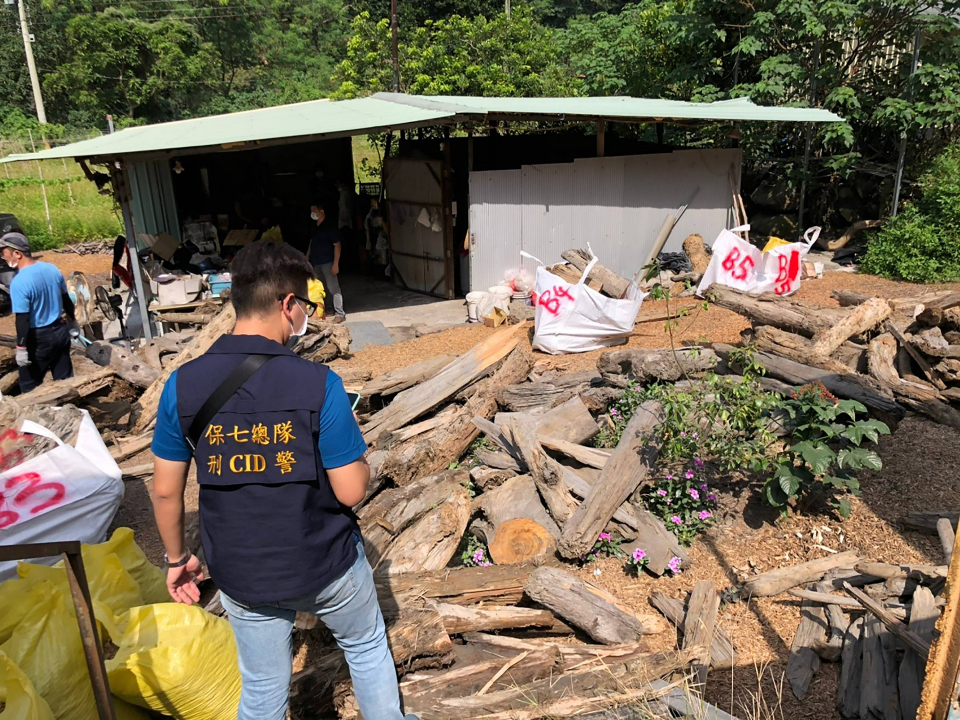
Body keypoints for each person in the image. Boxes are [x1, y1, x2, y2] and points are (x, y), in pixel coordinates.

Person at [149, 241, 410, 720]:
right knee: (366, 643)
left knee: (263, 688)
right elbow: (351, 490)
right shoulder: (319, 384)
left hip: (242, 573)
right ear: (287, 304)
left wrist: (177, 559)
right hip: (324, 562)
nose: (306, 316)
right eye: (305, 306)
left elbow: (165, 488)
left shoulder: (181, 385)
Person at [0, 232, 79, 393]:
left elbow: (23, 319)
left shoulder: (19, 282)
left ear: (17, 253)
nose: (3, 257)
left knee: (29, 386)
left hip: (39, 339)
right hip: (60, 332)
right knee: (65, 382)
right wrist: (72, 321)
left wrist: (21, 348)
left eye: (4, 253)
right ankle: (72, 412)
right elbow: (66, 300)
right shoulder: (51, 269)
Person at [305, 202, 345, 322]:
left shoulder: (329, 226)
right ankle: (328, 309)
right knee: (323, 288)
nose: (313, 214)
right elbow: (312, 242)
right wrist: (307, 257)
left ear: (321, 212)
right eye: (311, 211)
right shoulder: (315, 226)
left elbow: (337, 245)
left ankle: (340, 313)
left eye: (315, 211)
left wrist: (336, 264)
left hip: (328, 261)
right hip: (316, 262)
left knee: (334, 288)